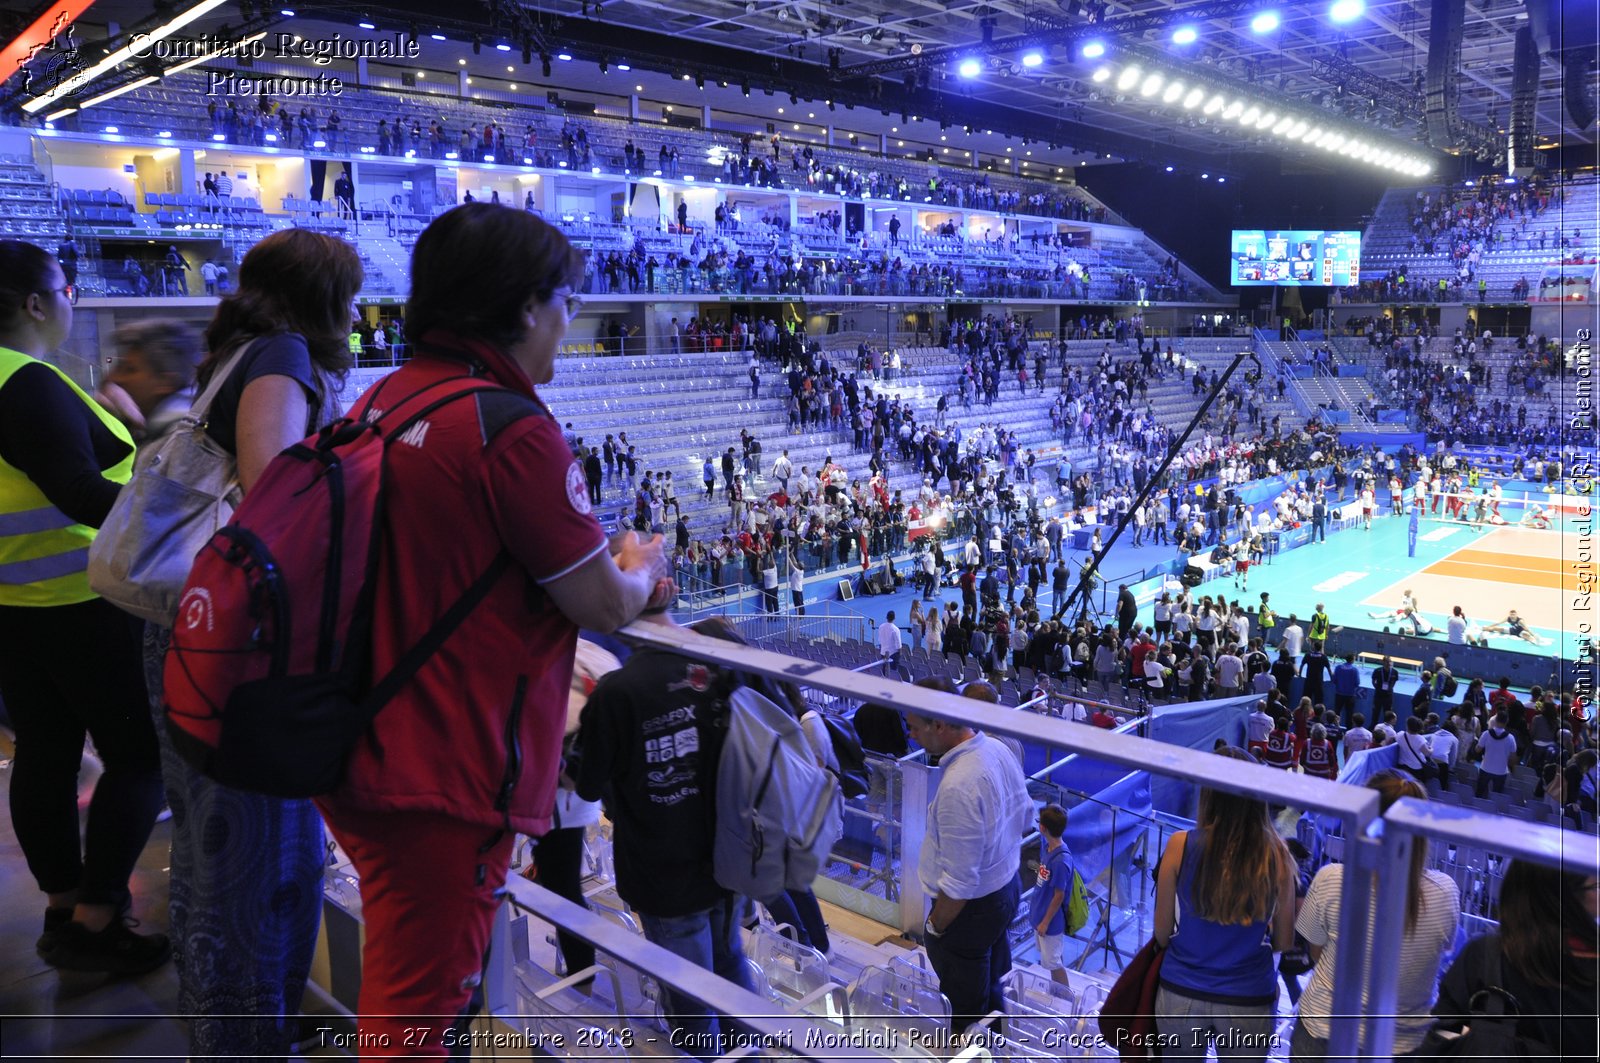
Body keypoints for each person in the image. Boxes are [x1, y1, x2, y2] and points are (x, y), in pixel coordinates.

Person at [313, 206, 671, 1056]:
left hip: (365, 738)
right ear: (522, 308)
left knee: (411, 989)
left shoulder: (389, 395)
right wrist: (642, 567)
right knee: (414, 1013)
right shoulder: (512, 431)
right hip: (443, 769)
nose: (570, 322)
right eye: (567, 302)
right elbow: (605, 605)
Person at [0, 241, 167, 974]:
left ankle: (66, 908)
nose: (72, 300)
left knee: (44, 752)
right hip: (85, 601)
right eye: (66, 288)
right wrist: (180, 533)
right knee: (139, 756)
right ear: (37, 303)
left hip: (17, 605)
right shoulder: (26, 382)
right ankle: (100, 919)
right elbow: (77, 489)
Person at [575, 608, 751, 1058]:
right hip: (727, 858)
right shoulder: (715, 665)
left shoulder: (617, 692)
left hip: (662, 872)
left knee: (690, 1000)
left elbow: (588, 784)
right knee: (730, 966)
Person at [1290, 771, 1460, 1059]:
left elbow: (1316, 953)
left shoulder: (1331, 878)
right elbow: (1441, 952)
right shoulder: (1446, 891)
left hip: (1323, 1030)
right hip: (1401, 1044)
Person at [1153, 746, 1296, 1062]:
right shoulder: (1278, 856)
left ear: (1210, 794)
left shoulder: (1179, 845)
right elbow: (1284, 941)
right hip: (1249, 997)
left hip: (1181, 990)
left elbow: (1162, 934)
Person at [905, 697, 1032, 1034]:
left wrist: (934, 926)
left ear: (941, 726)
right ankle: (998, 1049)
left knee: (965, 1012)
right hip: (1004, 889)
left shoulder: (959, 785)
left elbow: (959, 885)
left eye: (915, 727)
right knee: (988, 989)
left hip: (968, 912)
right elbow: (1026, 814)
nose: (911, 735)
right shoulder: (998, 749)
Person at [1427, 859, 1597, 1059]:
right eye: (1597, 886)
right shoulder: (1485, 953)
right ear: (1563, 896)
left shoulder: (1484, 952)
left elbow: (1440, 1036)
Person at [96, 319, 203, 445]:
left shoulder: (179, 441)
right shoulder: (149, 432)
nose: (114, 378)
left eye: (129, 370)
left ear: (165, 382)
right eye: (119, 368)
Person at [1030, 803, 1076, 989]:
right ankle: (1057, 991)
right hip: (1040, 916)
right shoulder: (1048, 849)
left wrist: (1045, 923)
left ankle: (1065, 996)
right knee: (1050, 961)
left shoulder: (1061, 861)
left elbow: (1059, 896)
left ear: (1042, 828)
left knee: (1054, 962)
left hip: (1049, 923)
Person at [879, 609, 906, 679]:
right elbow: (898, 644)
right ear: (894, 618)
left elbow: (880, 639)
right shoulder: (895, 629)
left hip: (883, 652)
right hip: (892, 654)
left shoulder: (881, 626)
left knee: (884, 670)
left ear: (886, 617)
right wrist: (900, 655)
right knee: (893, 672)